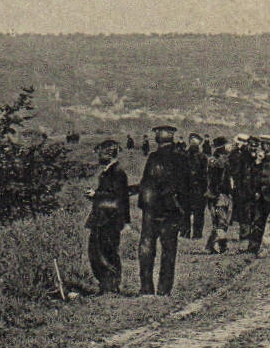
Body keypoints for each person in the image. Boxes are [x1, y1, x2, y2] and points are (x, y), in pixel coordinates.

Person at [137, 125, 185, 295]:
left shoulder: (154, 157)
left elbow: (147, 182)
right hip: (170, 209)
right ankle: (164, 289)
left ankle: (146, 288)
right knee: (168, 250)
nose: (156, 134)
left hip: (153, 209)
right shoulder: (180, 158)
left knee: (146, 247)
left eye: (158, 133)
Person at [85, 138, 131, 294]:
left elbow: (118, 198)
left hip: (109, 219)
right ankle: (106, 285)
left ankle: (111, 287)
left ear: (109, 154)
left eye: (101, 154)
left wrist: (96, 195)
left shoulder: (117, 173)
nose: (98, 157)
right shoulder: (109, 172)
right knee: (97, 252)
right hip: (102, 218)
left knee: (107, 252)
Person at [204, 137, 233, 254]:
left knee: (220, 221)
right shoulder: (219, 162)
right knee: (221, 220)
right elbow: (216, 181)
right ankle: (221, 246)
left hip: (220, 194)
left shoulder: (217, 160)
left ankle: (211, 245)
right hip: (219, 195)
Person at [180, 133, 208, 238]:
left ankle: (197, 234)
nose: (193, 144)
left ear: (199, 144)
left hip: (198, 188)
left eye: (196, 142)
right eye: (192, 141)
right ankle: (185, 232)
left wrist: (204, 188)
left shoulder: (203, 157)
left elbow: (205, 174)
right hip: (185, 188)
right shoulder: (183, 156)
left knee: (198, 212)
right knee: (185, 211)